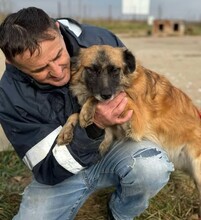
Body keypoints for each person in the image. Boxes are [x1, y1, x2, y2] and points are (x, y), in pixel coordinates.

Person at [0, 7, 174, 220]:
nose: (57, 72)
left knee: (152, 167)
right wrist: (93, 126)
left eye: (58, 56)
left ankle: (120, 212)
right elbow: (48, 170)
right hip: (63, 173)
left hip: (114, 146)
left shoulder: (100, 39)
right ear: (12, 62)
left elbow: (134, 84)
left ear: (57, 28)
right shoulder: (10, 99)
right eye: (40, 69)